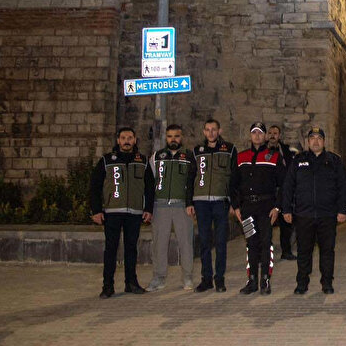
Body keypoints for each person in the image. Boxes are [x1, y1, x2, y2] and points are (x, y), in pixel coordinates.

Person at [281, 126, 346, 294]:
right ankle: (302, 283)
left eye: (319, 138)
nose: (315, 141)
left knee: (327, 251)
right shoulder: (298, 160)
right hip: (304, 215)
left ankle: (327, 283)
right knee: (304, 251)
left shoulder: (334, 161)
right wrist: (286, 209)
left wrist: (342, 210)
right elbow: (288, 186)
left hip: (327, 215)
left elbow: (343, 187)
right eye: (312, 138)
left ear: (324, 141)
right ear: (308, 142)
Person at [89, 127, 155, 298]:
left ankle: (131, 283)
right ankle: (107, 286)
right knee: (110, 250)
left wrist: (148, 209)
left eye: (130, 138)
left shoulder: (142, 161)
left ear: (135, 140)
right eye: (123, 138)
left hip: (134, 213)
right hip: (112, 212)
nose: (127, 141)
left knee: (131, 249)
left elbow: (150, 187)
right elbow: (95, 186)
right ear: (118, 140)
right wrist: (96, 210)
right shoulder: (107, 160)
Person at [231, 122, 287, 295]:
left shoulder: (274, 157)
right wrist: (236, 206)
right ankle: (252, 280)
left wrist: (277, 207)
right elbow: (233, 184)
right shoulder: (241, 157)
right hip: (247, 209)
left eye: (260, 133)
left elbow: (284, 185)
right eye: (254, 132)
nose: (257, 136)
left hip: (266, 208)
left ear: (265, 136)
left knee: (266, 243)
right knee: (251, 244)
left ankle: (265, 279)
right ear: (250, 135)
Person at [146, 124, 197, 292]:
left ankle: (187, 277)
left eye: (176, 136)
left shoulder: (189, 156)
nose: (173, 139)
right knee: (159, 244)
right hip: (160, 206)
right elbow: (150, 182)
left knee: (186, 242)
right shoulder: (157, 157)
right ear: (166, 138)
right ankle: (159, 278)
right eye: (170, 136)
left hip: (182, 205)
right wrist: (149, 207)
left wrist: (191, 203)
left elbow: (193, 182)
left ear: (181, 137)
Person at [192, 119, 238, 293]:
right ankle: (206, 279)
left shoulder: (229, 149)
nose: (211, 133)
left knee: (220, 242)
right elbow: (191, 176)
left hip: (221, 202)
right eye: (207, 130)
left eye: (214, 129)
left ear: (219, 131)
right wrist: (190, 202)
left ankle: (219, 279)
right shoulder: (197, 151)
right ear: (204, 132)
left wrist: (234, 203)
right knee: (204, 242)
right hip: (201, 202)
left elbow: (234, 177)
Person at [267, 124, 299, 261]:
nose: (272, 135)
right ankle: (266, 252)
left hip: (283, 190)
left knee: (286, 223)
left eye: (275, 133)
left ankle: (286, 251)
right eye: (270, 133)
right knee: (267, 223)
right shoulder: (263, 151)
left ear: (279, 135)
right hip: (268, 191)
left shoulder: (286, 151)